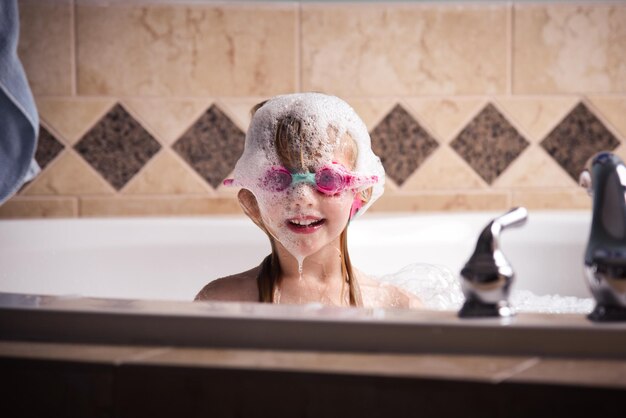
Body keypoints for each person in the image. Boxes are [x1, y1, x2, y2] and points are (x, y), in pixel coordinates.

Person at [195, 93, 423, 309]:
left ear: (360, 192)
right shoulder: (220, 303)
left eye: (327, 178)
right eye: (277, 180)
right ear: (252, 202)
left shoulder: (398, 306)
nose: (301, 198)